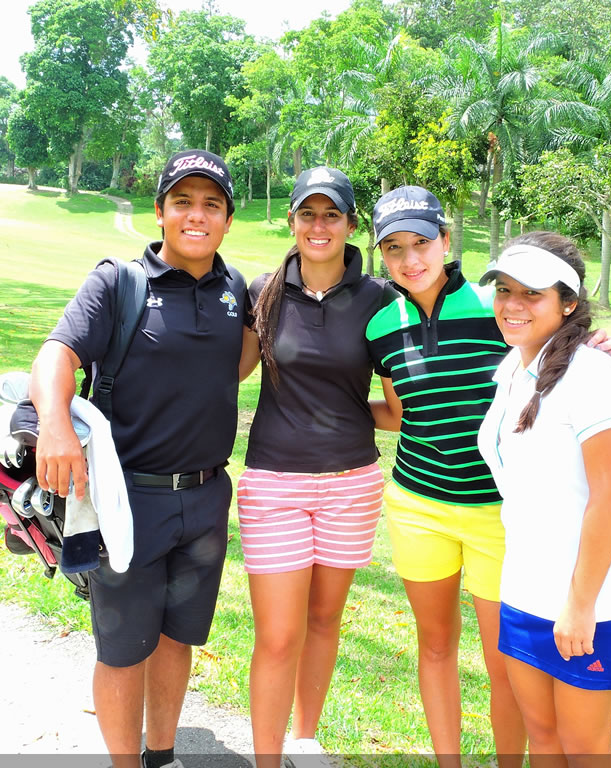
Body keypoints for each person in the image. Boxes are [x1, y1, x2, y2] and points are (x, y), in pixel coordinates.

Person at [364, 187, 611, 767]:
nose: (409, 259)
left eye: (421, 242)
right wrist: (322, 404)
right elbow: (401, 413)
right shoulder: (380, 325)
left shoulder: (497, 304)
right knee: (435, 647)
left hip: (497, 513)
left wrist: (595, 344)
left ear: (446, 240)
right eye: (394, 248)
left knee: (506, 662)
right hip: (418, 505)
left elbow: (556, 341)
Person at [29, 149, 246, 768]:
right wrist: (54, 424)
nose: (196, 215)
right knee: (124, 649)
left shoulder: (235, 288)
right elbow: (57, 355)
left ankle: (162, 755)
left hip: (205, 497)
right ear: (159, 212)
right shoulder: (118, 283)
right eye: (183, 202)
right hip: (128, 499)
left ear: (228, 219)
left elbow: (231, 367)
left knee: (178, 638)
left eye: (211, 204)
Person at [477, 233, 611, 762]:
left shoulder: (595, 375)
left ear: (568, 302)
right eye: (505, 290)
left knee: (583, 746)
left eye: (532, 293)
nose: (513, 304)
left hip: (594, 600)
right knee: (542, 735)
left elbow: (609, 498)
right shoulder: (511, 369)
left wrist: (580, 607)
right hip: (524, 587)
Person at [237, 167, 397, 768]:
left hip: (352, 485)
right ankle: (266, 759)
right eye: (308, 213)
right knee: (279, 636)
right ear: (292, 221)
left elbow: (397, 409)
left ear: (351, 224)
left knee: (324, 619)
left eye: (332, 214)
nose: (319, 225)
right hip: (274, 484)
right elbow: (230, 371)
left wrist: (575, 336)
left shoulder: (382, 299)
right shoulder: (263, 291)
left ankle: (304, 741)